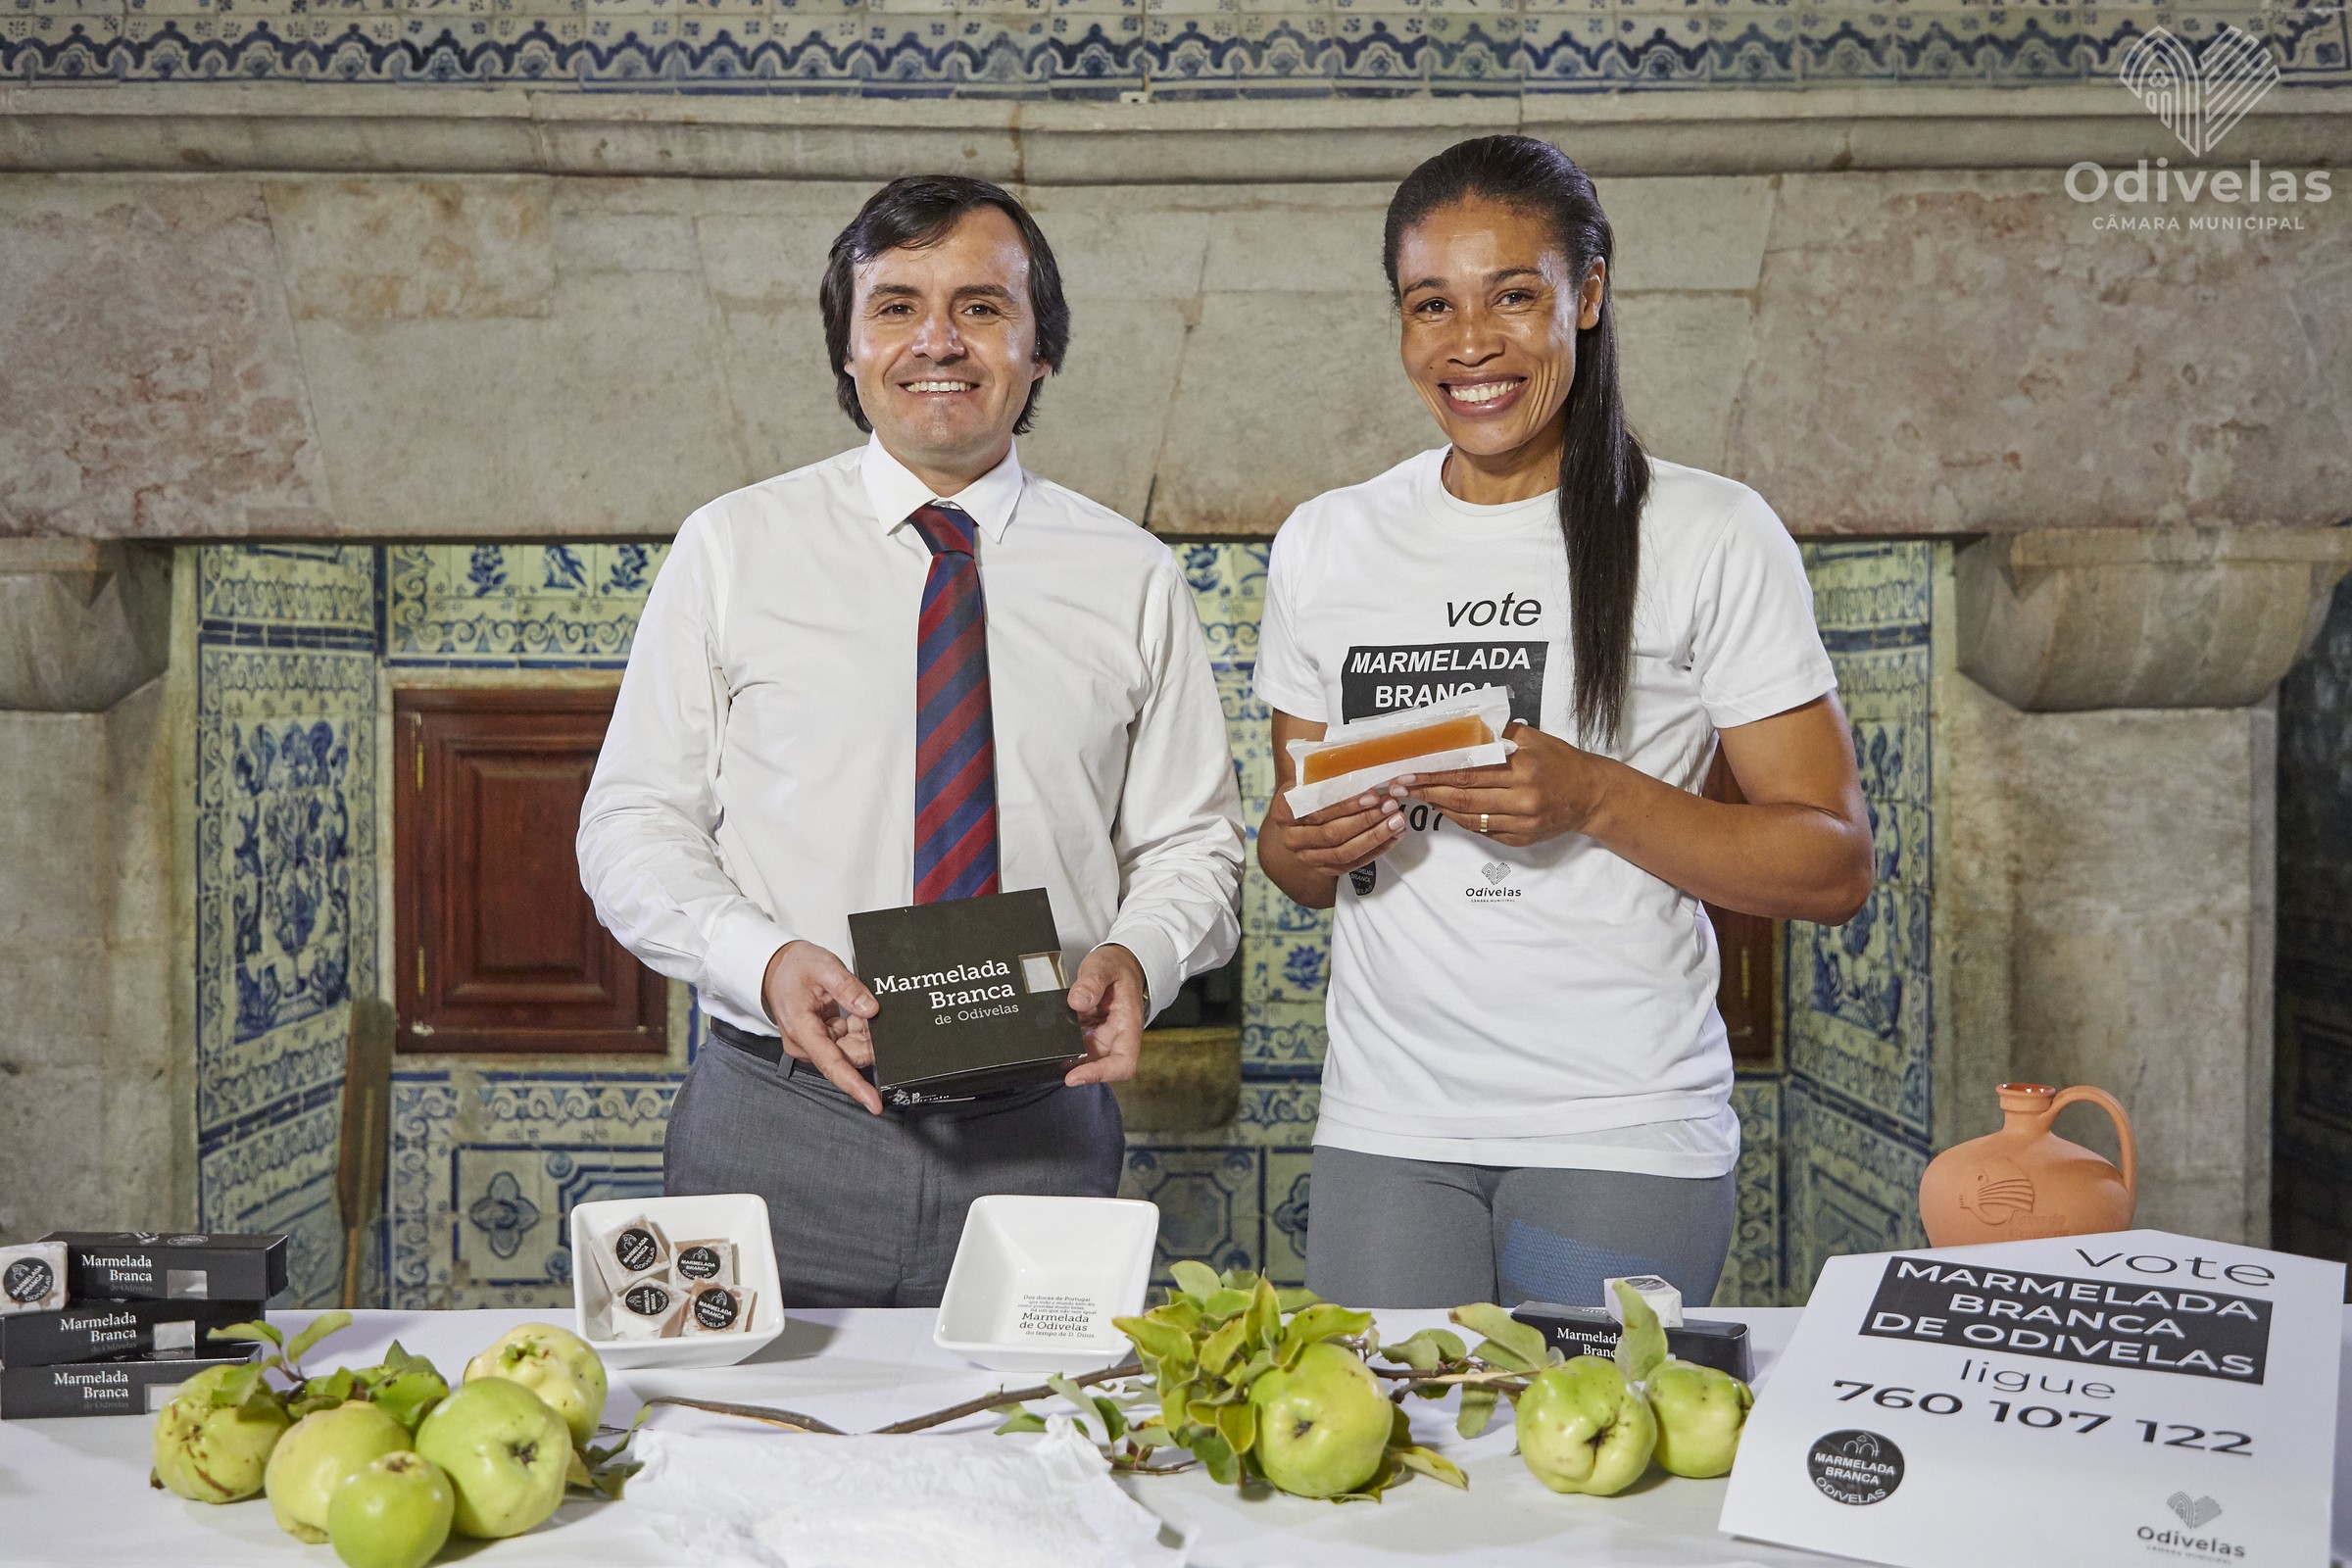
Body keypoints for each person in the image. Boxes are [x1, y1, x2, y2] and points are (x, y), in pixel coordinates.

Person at [578, 175, 1245, 1308]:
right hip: (774, 1125)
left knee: (1039, 1420)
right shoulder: (732, 547)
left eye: (982, 306)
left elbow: (1195, 847)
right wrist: (762, 960)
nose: (938, 339)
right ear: (849, 351)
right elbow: (632, 824)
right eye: (896, 307)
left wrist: (1141, 955)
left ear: (1041, 348)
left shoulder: (1132, 575)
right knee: (733, 1421)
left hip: (1043, 1134)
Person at [1252, 136, 1874, 1310]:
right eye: (1431, 304)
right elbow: (1297, 862)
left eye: (1513, 296)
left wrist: (1593, 795)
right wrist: (1305, 840)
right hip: (1387, 1125)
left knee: (1582, 1436)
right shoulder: (1328, 540)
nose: (1469, 343)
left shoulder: (1708, 532)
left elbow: (1834, 865)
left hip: (1618, 1129)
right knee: (1382, 1433)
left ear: (1586, 296)